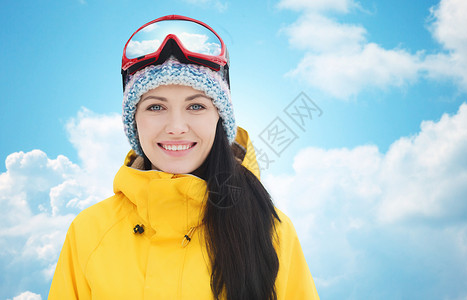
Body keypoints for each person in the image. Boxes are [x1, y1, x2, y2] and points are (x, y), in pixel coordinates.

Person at [48, 15, 319, 300]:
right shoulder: (89, 231)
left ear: (219, 118)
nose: (176, 127)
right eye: (155, 107)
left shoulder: (271, 231)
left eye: (196, 106)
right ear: (134, 121)